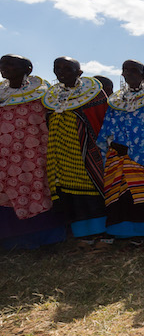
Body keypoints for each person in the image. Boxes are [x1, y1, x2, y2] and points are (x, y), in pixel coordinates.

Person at [0, 55, 66, 249]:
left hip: (35, 155)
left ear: (28, 69)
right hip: (4, 157)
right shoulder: (1, 95)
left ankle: (45, 240)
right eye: (2, 64)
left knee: (37, 190)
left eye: (10, 64)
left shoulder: (43, 94)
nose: (4, 68)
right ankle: (8, 241)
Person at [97, 60, 144, 244]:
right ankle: (126, 232)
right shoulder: (116, 100)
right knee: (123, 195)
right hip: (120, 153)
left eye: (134, 71)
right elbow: (108, 125)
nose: (129, 74)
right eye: (125, 71)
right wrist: (112, 143)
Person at [43, 57, 108, 247]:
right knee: (70, 194)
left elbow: (100, 120)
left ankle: (100, 234)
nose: (61, 72)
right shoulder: (52, 96)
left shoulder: (94, 94)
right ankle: (82, 236)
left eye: (67, 68)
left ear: (79, 72)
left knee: (91, 191)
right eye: (57, 68)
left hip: (86, 151)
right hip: (61, 152)